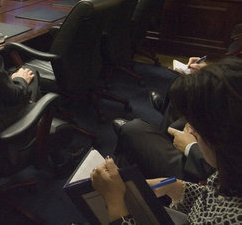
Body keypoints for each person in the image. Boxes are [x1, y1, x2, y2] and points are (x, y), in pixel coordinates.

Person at [91, 57, 242, 224]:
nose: (191, 130)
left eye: (197, 128)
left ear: (224, 142)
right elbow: (216, 198)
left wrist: (115, 205)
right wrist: (177, 188)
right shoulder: (231, 169)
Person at [114, 57, 214, 183]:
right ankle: (160, 134)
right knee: (186, 84)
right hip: (208, 151)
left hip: (201, 172)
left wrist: (190, 146)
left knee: (132, 129)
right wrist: (209, 73)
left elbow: (220, 169)